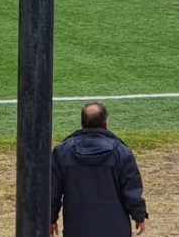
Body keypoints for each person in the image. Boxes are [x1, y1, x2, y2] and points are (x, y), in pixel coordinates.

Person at [50, 102, 148, 237]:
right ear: (106, 122)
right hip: (115, 227)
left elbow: (52, 191)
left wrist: (50, 218)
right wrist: (139, 215)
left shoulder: (62, 152)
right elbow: (131, 189)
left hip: (78, 227)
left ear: (82, 122)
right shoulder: (121, 152)